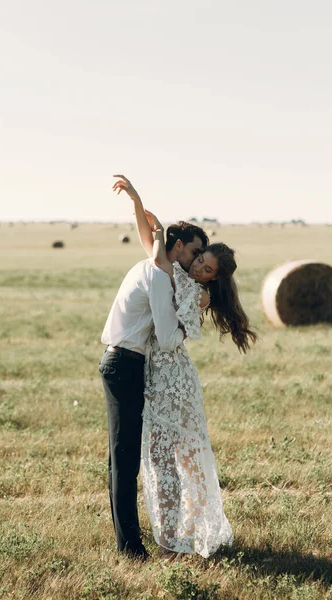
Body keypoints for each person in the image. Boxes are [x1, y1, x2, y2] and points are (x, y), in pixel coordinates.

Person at [114, 176, 257, 559]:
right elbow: (152, 245)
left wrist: (188, 314)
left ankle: (178, 540)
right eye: (199, 259)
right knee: (164, 460)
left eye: (206, 267)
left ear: (214, 277)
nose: (198, 268)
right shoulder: (173, 273)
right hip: (154, 375)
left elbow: (175, 339)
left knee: (176, 460)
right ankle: (174, 537)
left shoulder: (199, 295)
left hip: (172, 379)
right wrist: (140, 203)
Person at [99, 175, 209, 561]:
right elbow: (165, 339)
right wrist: (188, 321)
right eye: (194, 252)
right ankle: (130, 548)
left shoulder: (153, 265)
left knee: (121, 457)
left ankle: (128, 542)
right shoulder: (159, 278)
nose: (197, 261)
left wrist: (140, 205)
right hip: (125, 364)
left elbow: (152, 241)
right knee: (125, 458)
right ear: (177, 248)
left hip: (122, 362)